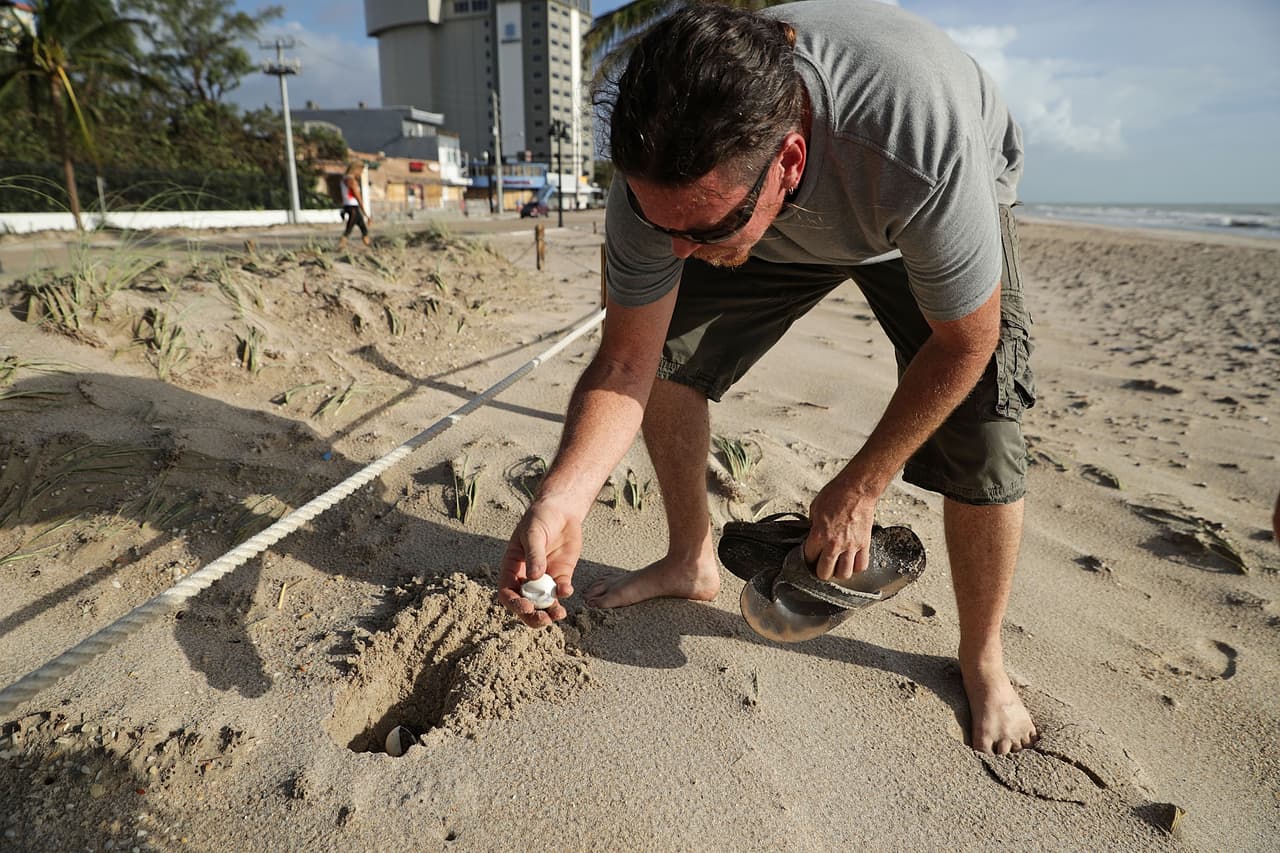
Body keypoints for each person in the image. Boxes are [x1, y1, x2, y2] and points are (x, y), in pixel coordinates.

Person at [499, 0, 1037, 755]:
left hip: (913, 203)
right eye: (662, 228)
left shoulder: (917, 138)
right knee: (672, 360)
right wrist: (562, 497)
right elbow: (627, 361)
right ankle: (692, 558)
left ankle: (983, 656)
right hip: (768, 217)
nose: (676, 250)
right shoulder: (661, 185)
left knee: (983, 426)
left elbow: (965, 343)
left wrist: (861, 484)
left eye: (700, 228)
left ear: (787, 163)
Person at [338, 167, 371, 248]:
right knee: (348, 230)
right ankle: (339, 246)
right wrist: (366, 214)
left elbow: (342, 196)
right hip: (353, 208)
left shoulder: (343, 180)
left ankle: (370, 246)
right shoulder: (352, 181)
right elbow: (358, 198)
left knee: (363, 229)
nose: (361, 174)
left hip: (348, 206)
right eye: (361, 171)